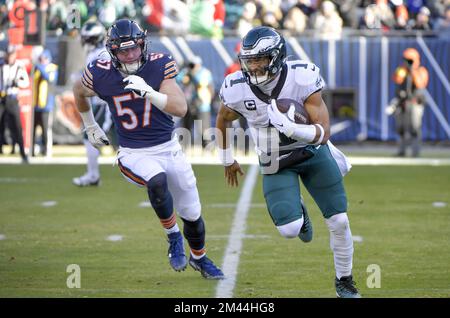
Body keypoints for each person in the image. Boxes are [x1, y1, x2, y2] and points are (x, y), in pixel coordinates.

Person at [73, 19, 224, 279]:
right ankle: (173, 236)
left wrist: (149, 93)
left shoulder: (158, 64)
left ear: (143, 44)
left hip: (169, 148)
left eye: (134, 48)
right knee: (157, 181)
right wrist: (90, 125)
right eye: (123, 50)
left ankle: (199, 258)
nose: (130, 54)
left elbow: (180, 108)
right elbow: (78, 90)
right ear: (112, 51)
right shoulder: (100, 71)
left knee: (192, 214)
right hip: (133, 152)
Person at [216, 26, 360, 298]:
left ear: (277, 57)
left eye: (260, 59)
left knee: (339, 220)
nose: (254, 67)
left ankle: (345, 280)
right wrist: (227, 158)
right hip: (274, 158)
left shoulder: (302, 76)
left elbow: (323, 131)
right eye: (249, 61)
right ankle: (300, 212)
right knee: (290, 230)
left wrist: (293, 129)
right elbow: (223, 118)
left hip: (311, 152)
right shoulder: (236, 88)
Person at [72, 20, 114, 186]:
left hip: (103, 102)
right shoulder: (99, 53)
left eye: (87, 38)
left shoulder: (101, 54)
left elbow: (103, 78)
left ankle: (93, 175)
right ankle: (93, 174)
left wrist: (80, 80)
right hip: (102, 101)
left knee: (91, 137)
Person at [390, 47, 429, 157]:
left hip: (415, 103)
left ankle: (415, 152)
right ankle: (401, 151)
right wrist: (404, 70)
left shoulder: (421, 71)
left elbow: (420, 83)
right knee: (401, 128)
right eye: (406, 60)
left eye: (409, 60)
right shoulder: (402, 70)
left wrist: (412, 70)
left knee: (414, 128)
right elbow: (396, 80)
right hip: (402, 103)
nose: (407, 63)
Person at [0, 46, 30, 163]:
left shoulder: (19, 66)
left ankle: (23, 154)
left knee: (17, 126)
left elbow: (25, 82)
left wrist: (17, 83)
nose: (10, 57)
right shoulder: (1, 64)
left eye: (12, 55)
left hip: (12, 99)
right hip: (1, 98)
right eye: (9, 54)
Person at [32, 49, 58, 157]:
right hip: (36, 104)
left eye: (44, 58)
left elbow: (49, 79)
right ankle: (32, 150)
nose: (42, 61)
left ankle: (46, 150)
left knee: (45, 129)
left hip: (47, 105)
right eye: (40, 59)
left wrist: (40, 67)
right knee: (33, 129)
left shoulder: (52, 68)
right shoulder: (37, 69)